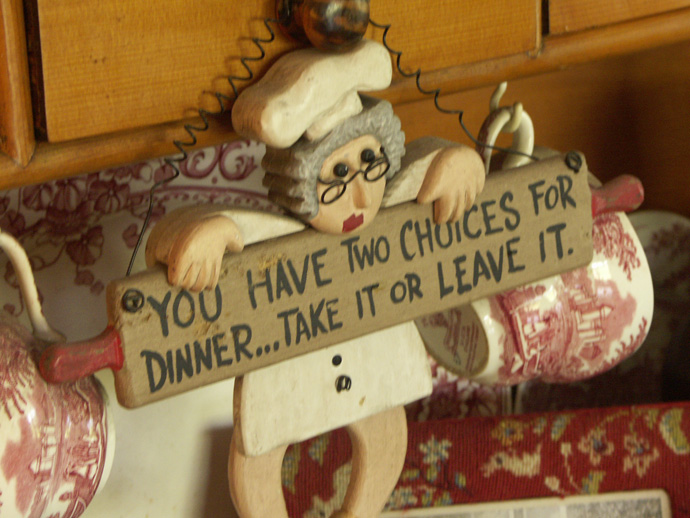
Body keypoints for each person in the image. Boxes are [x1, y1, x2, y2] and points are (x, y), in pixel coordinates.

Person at [146, 42, 485, 518]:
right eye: (338, 174)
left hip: (372, 356)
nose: (361, 196)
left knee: (383, 426)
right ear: (299, 185)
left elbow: (425, 168)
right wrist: (200, 236)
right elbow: (178, 234)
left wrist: (457, 164)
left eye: (371, 164)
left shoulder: (391, 208)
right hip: (288, 371)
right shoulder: (277, 242)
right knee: (262, 451)